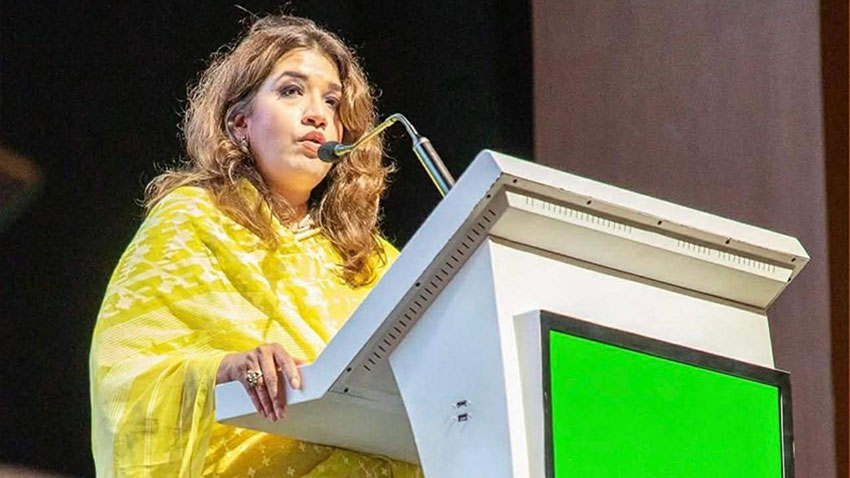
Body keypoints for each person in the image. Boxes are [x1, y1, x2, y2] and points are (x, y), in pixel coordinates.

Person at [89, 14, 423, 478]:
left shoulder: (377, 262)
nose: (317, 114)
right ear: (240, 122)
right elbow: (123, 378)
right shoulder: (192, 219)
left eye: (332, 101)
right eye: (291, 91)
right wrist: (224, 370)